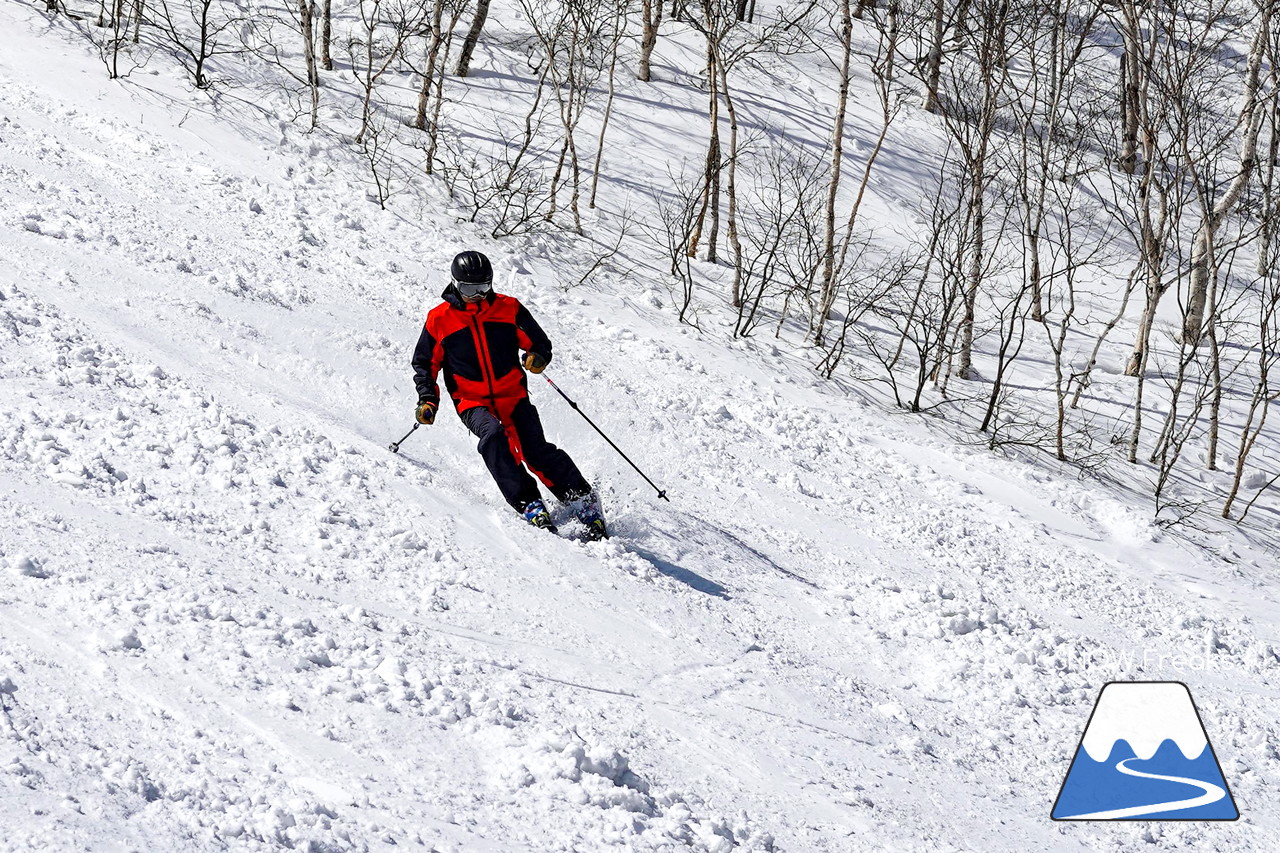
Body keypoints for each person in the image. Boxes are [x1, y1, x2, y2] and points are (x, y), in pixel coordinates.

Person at [411, 250, 607, 540]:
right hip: (471, 400)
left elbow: (539, 342)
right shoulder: (439, 319)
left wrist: (538, 356)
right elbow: (425, 364)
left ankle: (582, 500)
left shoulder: (509, 308)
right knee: (493, 437)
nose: (477, 296)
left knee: (535, 449)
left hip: (513, 394)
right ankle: (529, 501)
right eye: (469, 289)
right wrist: (428, 399)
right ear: (454, 285)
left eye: (483, 288)